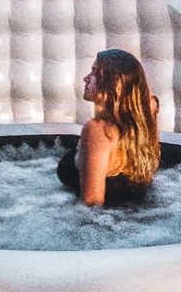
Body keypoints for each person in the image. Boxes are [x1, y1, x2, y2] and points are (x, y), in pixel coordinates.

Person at [57, 49, 160, 206]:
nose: (86, 78)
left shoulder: (98, 131)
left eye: (95, 73)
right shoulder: (144, 114)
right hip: (134, 216)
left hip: (107, 221)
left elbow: (91, 206)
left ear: (114, 82)